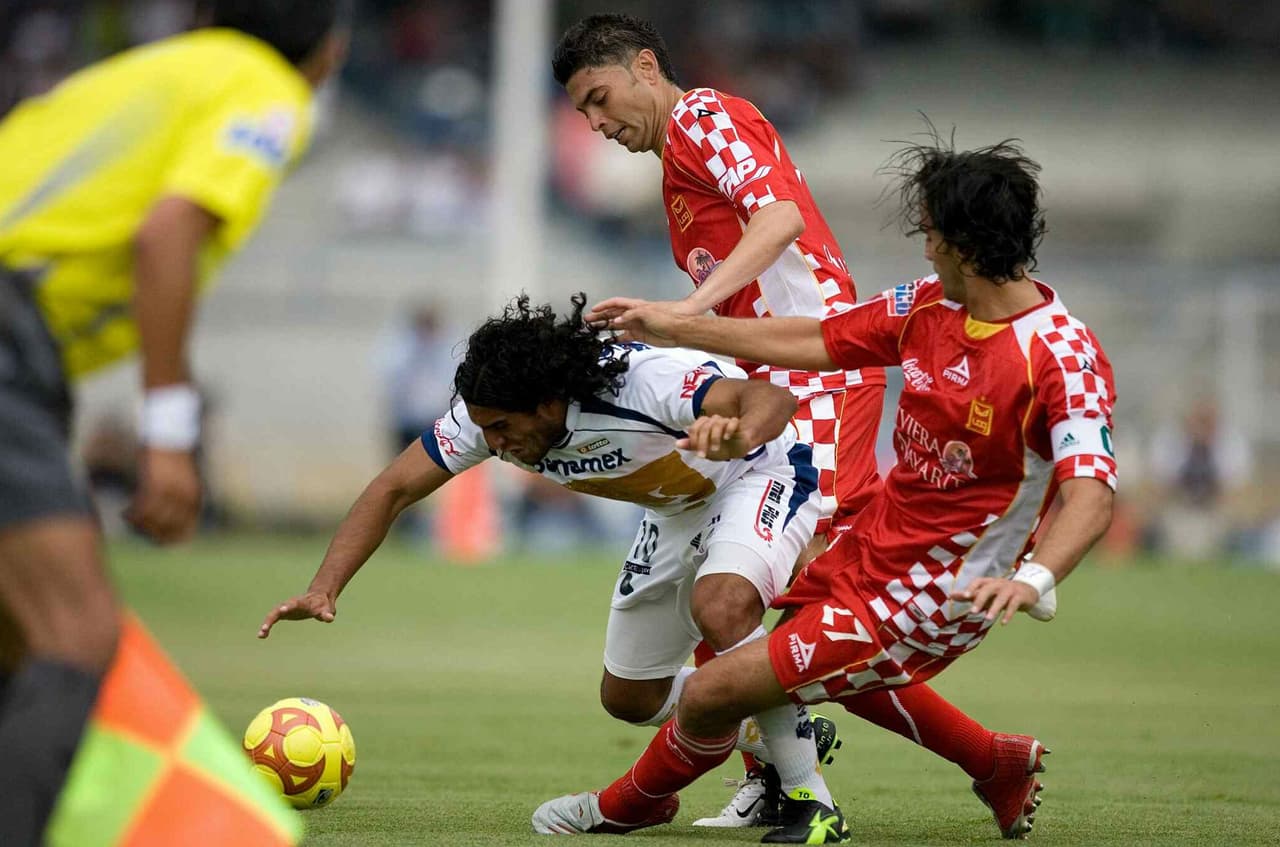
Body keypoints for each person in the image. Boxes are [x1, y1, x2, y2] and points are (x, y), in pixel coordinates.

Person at [537, 136, 1117, 841]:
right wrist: (683, 323)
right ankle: (989, 760)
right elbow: (819, 338)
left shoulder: (1059, 351)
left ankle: (630, 806)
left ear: (966, 245)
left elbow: (1090, 490)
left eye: (931, 232)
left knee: (721, 685)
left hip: (943, 585)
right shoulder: (928, 304)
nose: (924, 247)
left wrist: (1035, 575)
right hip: (877, 547)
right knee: (764, 643)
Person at [553, 14, 1021, 833]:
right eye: (583, 114)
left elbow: (781, 222)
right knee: (746, 597)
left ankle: (890, 769)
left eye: (598, 98)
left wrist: (685, 314)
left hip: (819, 380)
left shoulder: (704, 118)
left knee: (799, 612)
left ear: (645, 66)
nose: (596, 123)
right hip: (768, 386)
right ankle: (817, 765)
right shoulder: (677, 173)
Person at [259, 293, 848, 843]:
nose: (493, 443)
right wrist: (323, 588)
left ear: (546, 403)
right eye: (485, 428)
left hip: (758, 474)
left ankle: (809, 798)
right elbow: (393, 488)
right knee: (630, 698)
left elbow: (772, 400)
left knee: (721, 604)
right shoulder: (489, 416)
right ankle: (768, 728)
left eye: (502, 429)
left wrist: (735, 434)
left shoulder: (641, 381)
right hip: (674, 509)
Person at [0, 2, 346, 843]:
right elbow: (167, 234)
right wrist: (167, 432)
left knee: (18, 641)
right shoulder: (265, 88)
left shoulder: (141, 76)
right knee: (72, 635)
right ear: (327, 53)